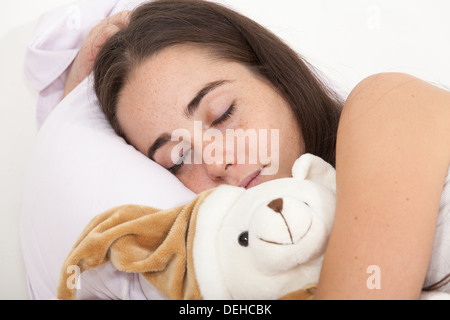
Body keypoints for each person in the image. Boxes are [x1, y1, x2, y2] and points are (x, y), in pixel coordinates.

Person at [63, 0, 450, 299]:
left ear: (275, 77)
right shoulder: (245, 275)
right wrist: (70, 120)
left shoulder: (385, 107)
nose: (216, 161)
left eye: (223, 113)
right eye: (179, 159)